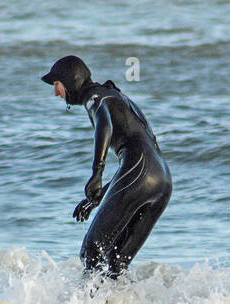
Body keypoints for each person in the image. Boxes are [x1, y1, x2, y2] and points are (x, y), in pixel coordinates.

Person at [42, 56, 172, 278]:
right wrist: (99, 197)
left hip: (140, 172)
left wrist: (97, 172)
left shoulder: (94, 97)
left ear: (70, 81)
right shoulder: (114, 95)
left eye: (57, 85)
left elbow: (104, 126)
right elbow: (138, 162)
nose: (56, 93)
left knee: (91, 252)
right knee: (116, 262)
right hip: (162, 180)